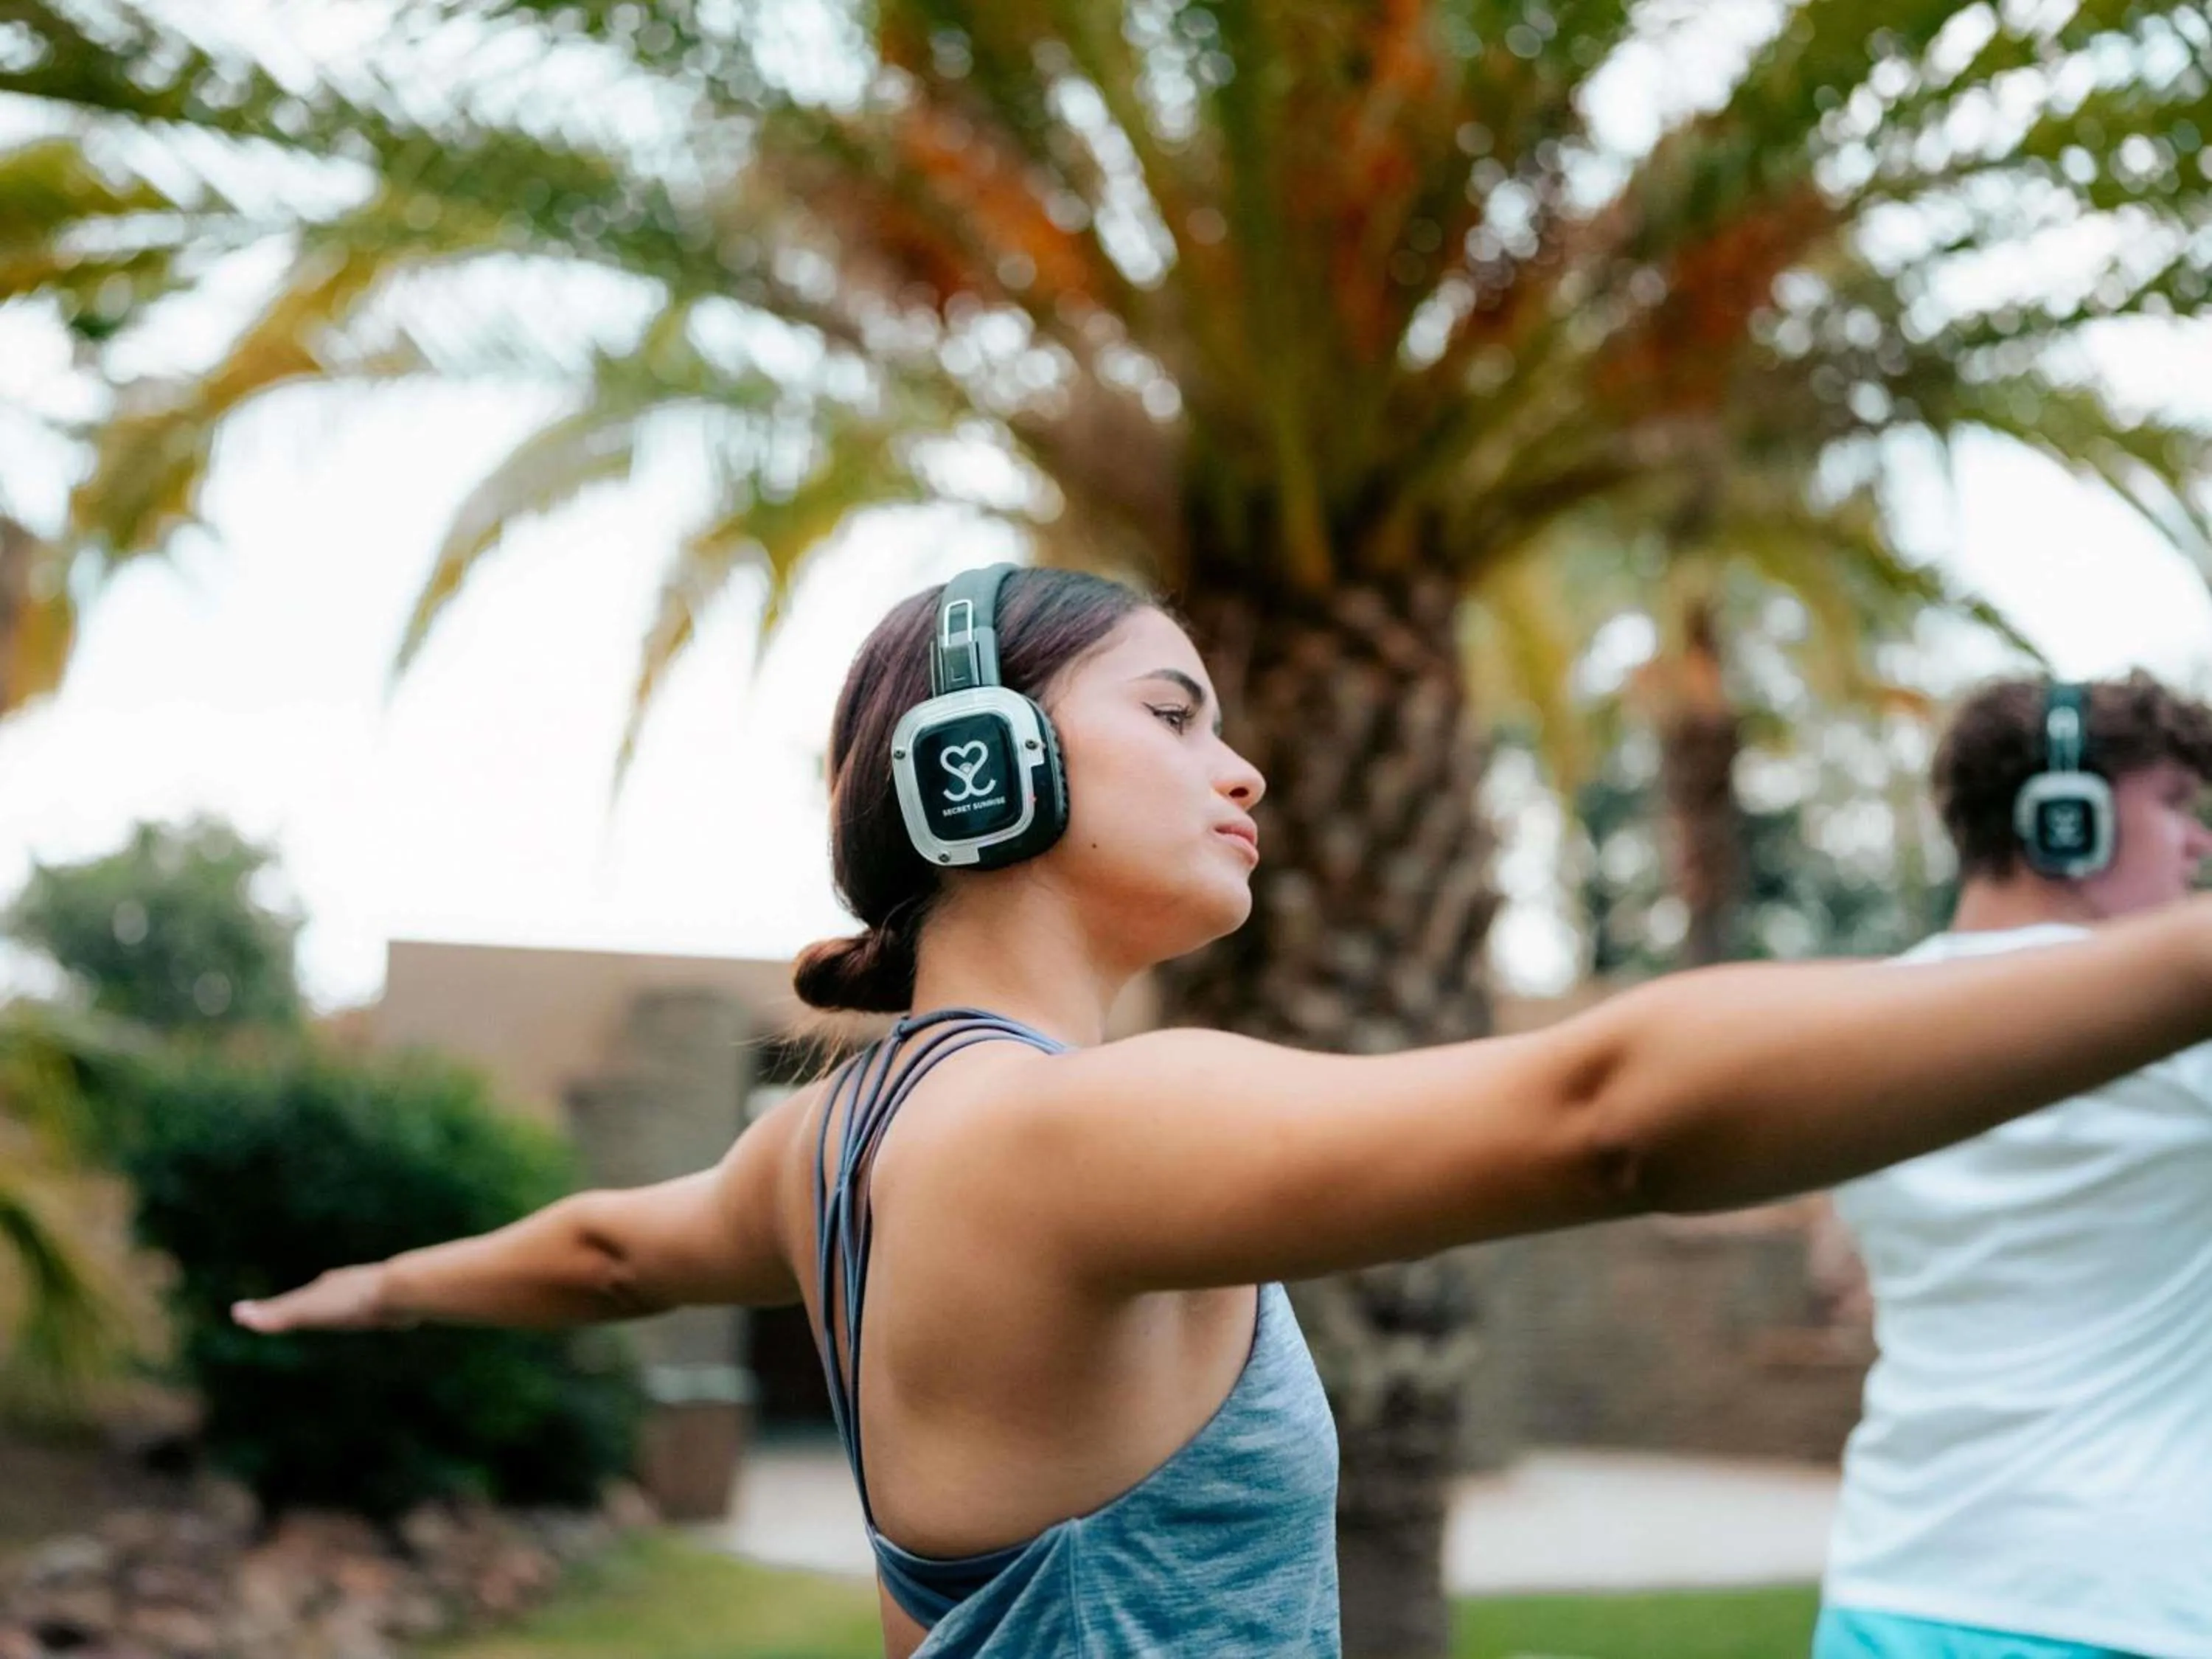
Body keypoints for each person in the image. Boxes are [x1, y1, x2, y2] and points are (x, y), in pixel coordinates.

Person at [233, 568, 2212, 1659]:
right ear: (980, 772)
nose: (1242, 768)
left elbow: (596, 1251)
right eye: (1175, 715)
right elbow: (1607, 1115)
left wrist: (382, 1285)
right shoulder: (1065, 1138)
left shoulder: (824, 1142)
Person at [1815, 672, 2212, 1659]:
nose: (2199, 841)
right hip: (2119, 1603)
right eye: (2172, 805)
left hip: (1886, 1588)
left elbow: (1839, 1264)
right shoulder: (2188, 1041)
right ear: (2064, 819)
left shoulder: (1847, 1032)